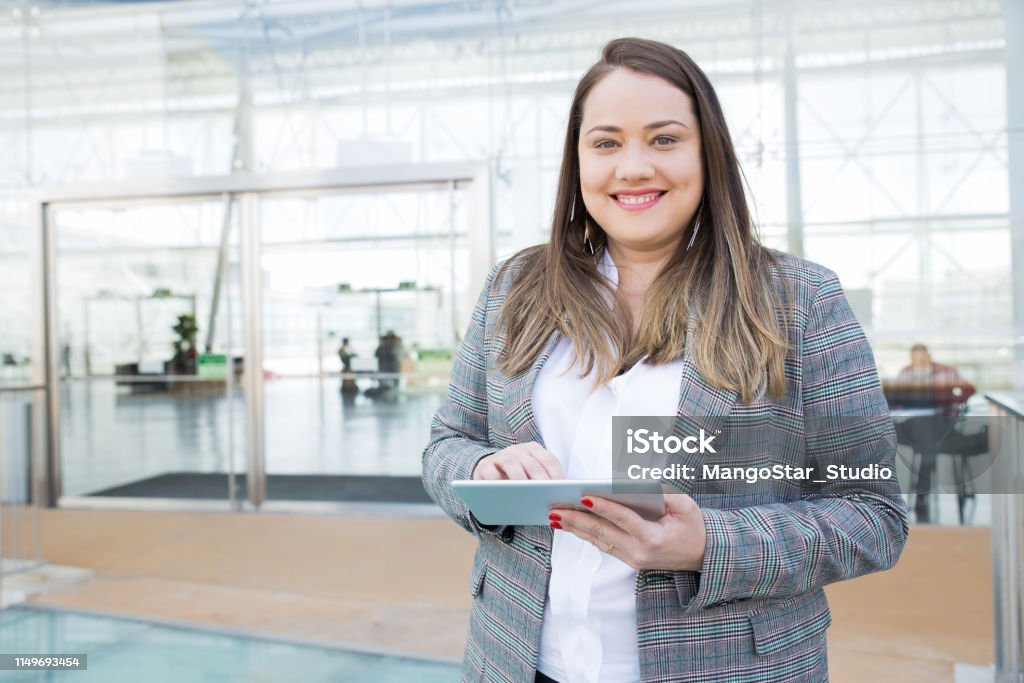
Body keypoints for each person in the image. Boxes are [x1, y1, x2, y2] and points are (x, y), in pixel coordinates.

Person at [422, 38, 908, 683]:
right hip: (518, 660)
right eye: (605, 143)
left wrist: (707, 543)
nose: (632, 166)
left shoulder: (797, 300)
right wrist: (483, 470)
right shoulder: (516, 288)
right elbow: (445, 445)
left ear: (707, 153)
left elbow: (874, 515)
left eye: (664, 138)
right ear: (578, 161)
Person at [894, 343, 976, 523]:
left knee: (927, 438)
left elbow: (969, 388)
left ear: (928, 356)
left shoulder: (945, 371)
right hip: (914, 423)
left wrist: (953, 402)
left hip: (941, 422)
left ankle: (921, 490)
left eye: (922, 358)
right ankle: (919, 491)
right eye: (916, 359)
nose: (919, 361)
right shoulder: (906, 373)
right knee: (893, 430)